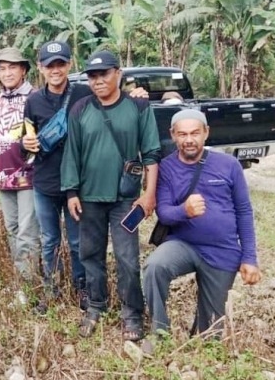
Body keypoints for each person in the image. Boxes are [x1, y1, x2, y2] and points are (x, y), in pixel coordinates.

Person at [61, 50, 161, 342]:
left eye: (104, 74)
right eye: (92, 76)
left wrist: (149, 195)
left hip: (126, 201)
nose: (98, 81)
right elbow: (72, 154)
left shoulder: (138, 107)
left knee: (127, 256)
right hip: (89, 198)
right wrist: (71, 193)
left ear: (119, 73)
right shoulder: (80, 109)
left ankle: (132, 312)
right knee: (90, 254)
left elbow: (152, 154)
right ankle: (96, 304)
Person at [143, 109, 261, 344]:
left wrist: (249, 258)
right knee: (154, 266)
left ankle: (200, 341)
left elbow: (244, 212)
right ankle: (159, 332)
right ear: (173, 135)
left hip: (222, 251)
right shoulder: (166, 168)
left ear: (206, 133)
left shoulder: (229, 165)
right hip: (183, 244)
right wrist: (183, 211)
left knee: (210, 336)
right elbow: (164, 213)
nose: (189, 139)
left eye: (195, 133)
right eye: (183, 134)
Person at [22, 41, 90, 310]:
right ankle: (51, 290)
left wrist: (139, 95)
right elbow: (25, 138)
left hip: (77, 183)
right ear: (40, 68)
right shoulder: (33, 101)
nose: (55, 70)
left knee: (76, 241)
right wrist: (24, 145)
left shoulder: (84, 95)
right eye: (49, 65)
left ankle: (81, 288)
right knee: (49, 240)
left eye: (60, 64)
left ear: (70, 65)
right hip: (44, 183)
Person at [0, 47, 40, 288]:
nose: (7, 72)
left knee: (27, 231)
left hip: (29, 175)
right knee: (12, 229)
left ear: (23, 70)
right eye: (2, 68)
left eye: (13, 67)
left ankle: (30, 286)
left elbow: (44, 135)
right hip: (4, 175)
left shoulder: (35, 97)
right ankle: (22, 280)